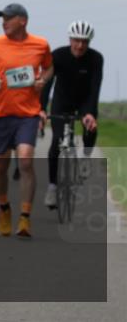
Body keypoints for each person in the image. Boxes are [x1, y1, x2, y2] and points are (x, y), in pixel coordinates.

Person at [0, 3, 53, 239]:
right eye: (2, 18)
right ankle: (4, 207)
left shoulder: (40, 44)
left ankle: (25, 217)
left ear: (23, 21)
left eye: (8, 18)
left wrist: (42, 80)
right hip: (0, 114)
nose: (4, 22)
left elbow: (49, 68)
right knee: (1, 165)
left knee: (26, 161)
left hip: (27, 113)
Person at [41, 20, 103, 209]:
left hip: (85, 101)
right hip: (62, 101)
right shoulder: (57, 55)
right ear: (70, 39)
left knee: (91, 127)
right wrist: (41, 109)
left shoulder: (95, 58)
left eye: (84, 41)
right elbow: (46, 83)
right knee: (56, 142)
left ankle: (85, 156)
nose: (80, 45)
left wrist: (90, 113)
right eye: (76, 40)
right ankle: (52, 187)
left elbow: (95, 87)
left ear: (89, 42)